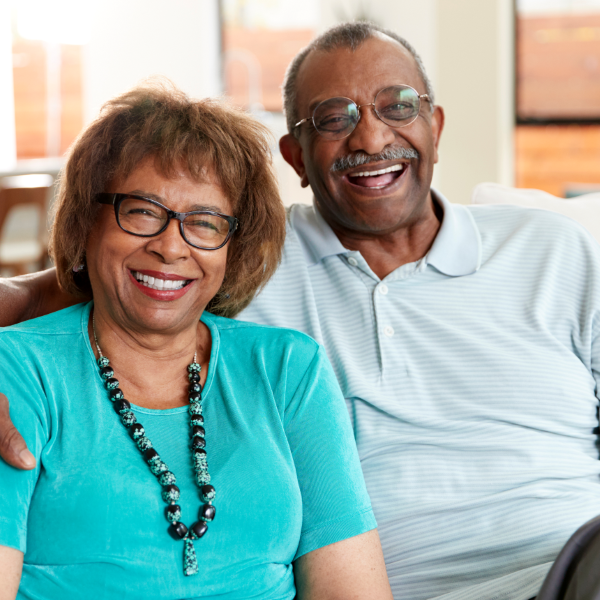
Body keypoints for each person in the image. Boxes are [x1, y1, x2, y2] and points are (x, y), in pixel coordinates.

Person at [2, 21, 600, 600]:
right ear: (295, 156)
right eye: (334, 119)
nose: (370, 138)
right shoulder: (253, 265)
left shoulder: (551, 247)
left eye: (398, 106)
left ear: (435, 127)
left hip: (578, 562)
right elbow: (120, 276)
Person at [0, 81, 394, 600]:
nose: (170, 247)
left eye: (204, 223)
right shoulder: (19, 369)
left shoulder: (288, 370)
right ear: (86, 221)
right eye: (141, 210)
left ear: (235, 245)